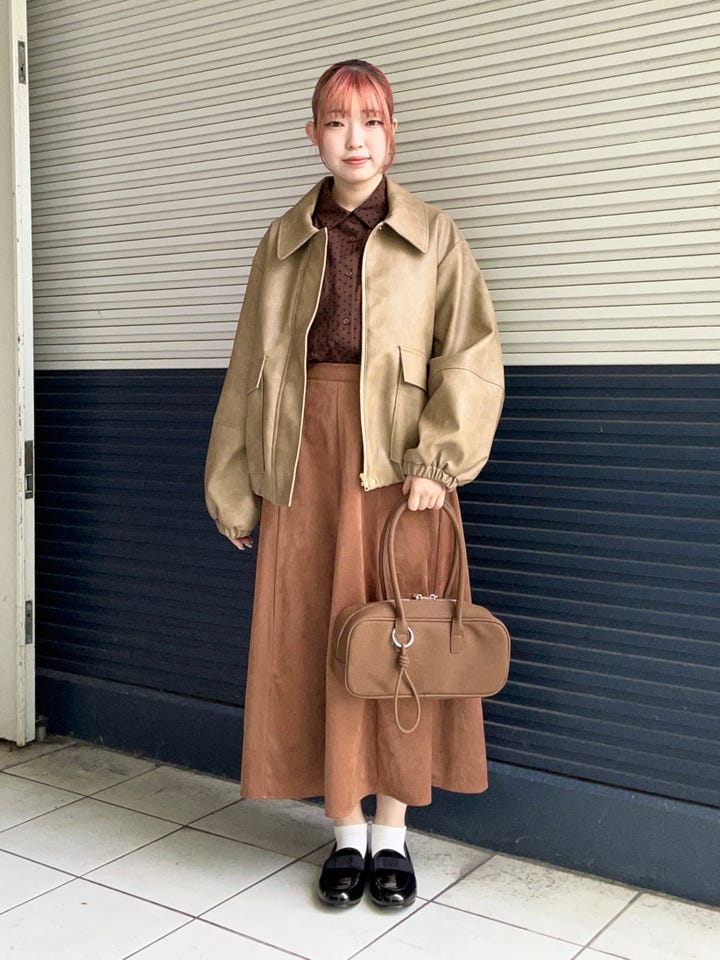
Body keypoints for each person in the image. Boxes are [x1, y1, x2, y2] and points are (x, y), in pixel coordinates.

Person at [204, 59, 504, 909]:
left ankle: (393, 834)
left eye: (371, 120)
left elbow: (470, 353)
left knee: (402, 636)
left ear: (393, 131)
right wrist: (234, 486)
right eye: (337, 122)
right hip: (304, 462)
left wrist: (437, 463)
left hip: (402, 468)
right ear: (314, 135)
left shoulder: (434, 234)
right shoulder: (283, 239)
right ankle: (344, 831)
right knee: (317, 633)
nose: (355, 139)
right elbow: (250, 368)